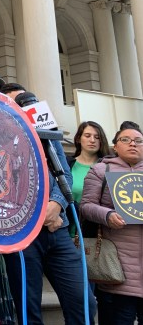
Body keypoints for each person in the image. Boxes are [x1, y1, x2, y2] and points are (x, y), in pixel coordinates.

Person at [3, 115, 97, 324]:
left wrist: (55, 204)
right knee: (29, 309)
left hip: (57, 229)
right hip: (21, 235)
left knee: (84, 302)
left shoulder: (44, 129)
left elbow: (64, 174)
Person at [80, 126, 143, 324]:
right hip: (117, 267)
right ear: (115, 146)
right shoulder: (101, 170)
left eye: (138, 140)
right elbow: (86, 206)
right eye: (126, 139)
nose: (133, 143)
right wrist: (107, 215)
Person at [67, 121, 111, 235]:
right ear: (78, 138)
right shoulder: (66, 165)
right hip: (66, 231)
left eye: (97, 137)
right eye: (87, 136)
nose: (92, 140)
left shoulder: (109, 167)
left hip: (98, 232)